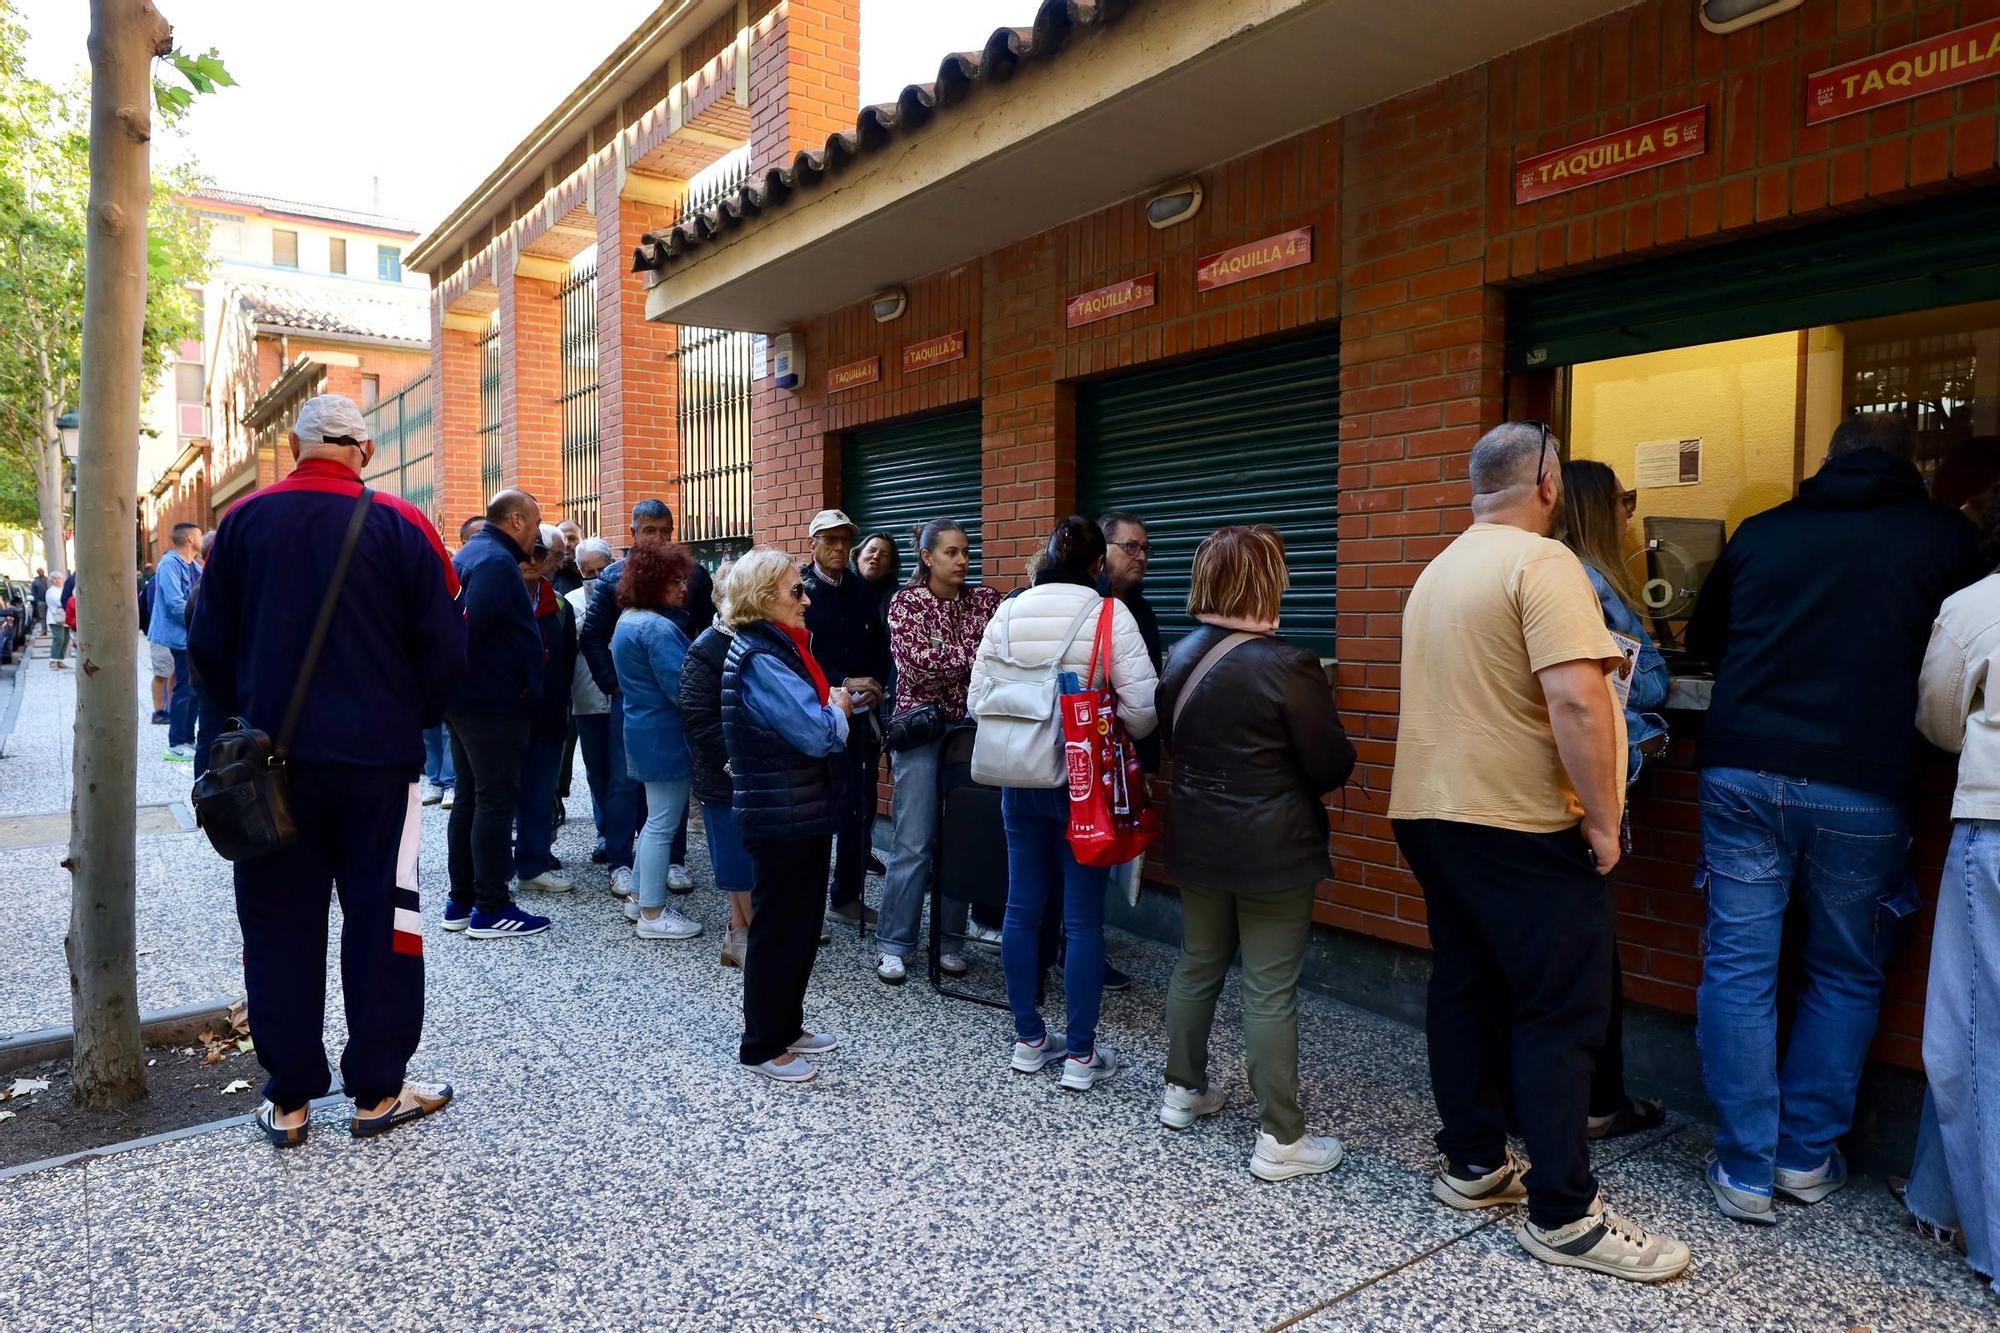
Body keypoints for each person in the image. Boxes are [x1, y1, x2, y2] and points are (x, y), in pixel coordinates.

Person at [1390, 421, 1688, 1282]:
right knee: (1562, 1006)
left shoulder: (1438, 569)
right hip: (1518, 822)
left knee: (1466, 984)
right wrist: (1601, 818)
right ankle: (1564, 1211)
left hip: (1430, 813)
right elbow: (1580, 700)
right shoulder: (1545, 561)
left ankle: (1475, 1164)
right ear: (1549, 482)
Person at [1688, 414, 1983, 1226]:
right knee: (1846, 968)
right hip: (1863, 780)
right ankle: (1804, 1157)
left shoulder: (1764, 531)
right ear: (1910, 467)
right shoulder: (1946, 540)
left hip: (1742, 768)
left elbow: (1705, 637)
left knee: (1740, 965)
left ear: (1825, 462)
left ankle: (1743, 1165)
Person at [188, 392, 466, 1145]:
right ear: (366, 453)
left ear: (292, 444)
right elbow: (448, 648)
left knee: (278, 925)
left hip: (269, 768)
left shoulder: (242, 524)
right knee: (386, 919)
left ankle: (289, 1101)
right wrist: (405, 711)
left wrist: (250, 705)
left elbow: (206, 646)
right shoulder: (405, 525)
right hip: (379, 765)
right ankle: (377, 1092)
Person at [1157, 526, 1355, 1179]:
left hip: (1196, 836)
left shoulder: (1179, 655)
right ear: (1264, 581)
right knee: (1269, 987)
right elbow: (1330, 763)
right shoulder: (1288, 664)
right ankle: (1282, 1139)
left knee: (1197, 962)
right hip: (1273, 848)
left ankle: (1182, 1090)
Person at [968, 516, 1157, 1092]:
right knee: (1081, 918)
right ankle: (1080, 1054)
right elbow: (1144, 707)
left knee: (1022, 908)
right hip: (1086, 787)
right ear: (1097, 565)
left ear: (1045, 556)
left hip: (1019, 779)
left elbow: (978, 700)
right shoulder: (1109, 613)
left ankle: (1028, 1039)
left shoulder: (1007, 610)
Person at [1557, 460, 1670, 1142]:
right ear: (1601, 509)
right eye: (1624, 500)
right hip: (1590, 782)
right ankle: (1600, 1099)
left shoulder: (1540, 570)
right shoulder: (1592, 581)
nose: (1631, 511)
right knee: (1590, 944)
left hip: (1541, 783)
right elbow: (1643, 685)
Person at [1909, 500, 2000, 1285]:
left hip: (1994, 827)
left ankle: (1997, 1245)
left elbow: (1937, 720)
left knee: (1970, 1036)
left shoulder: (1978, 605)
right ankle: (1938, 1198)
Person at [721, 549, 850, 1082]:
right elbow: (816, 733)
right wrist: (839, 711)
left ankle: (787, 1026)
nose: (807, 598)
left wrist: (832, 711)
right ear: (763, 597)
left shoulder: (779, 647)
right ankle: (761, 1045)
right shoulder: (762, 656)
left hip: (798, 807)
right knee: (779, 929)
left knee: (801, 925)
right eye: (795, 590)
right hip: (780, 812)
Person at [873, 519, 1000, 986]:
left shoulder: (985, 601)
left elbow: (999, 659)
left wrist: (958, 660)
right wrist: (973, 662)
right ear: (927, 558)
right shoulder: (906, 603)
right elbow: (914, 667)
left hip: (970, 731)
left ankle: (950, 940)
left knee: (962, 836)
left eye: (966, 551)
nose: (962, 560)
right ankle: (893, 944)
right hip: (922, 729)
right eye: (951, 552)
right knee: (914, 838)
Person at [580, 499, 715, 897]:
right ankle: (621, 861)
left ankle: (672, 860)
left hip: (678, 694)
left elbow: (706, 632)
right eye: (649, 530)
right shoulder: (614, 578)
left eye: (664, 530)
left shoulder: (694, 575)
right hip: (636, 697)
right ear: (634, 532)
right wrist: (614, 683)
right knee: (624, 781)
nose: (657, 537)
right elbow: (592, 635)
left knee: (674, 782)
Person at [442, 489, 552, 941]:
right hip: (490, 703)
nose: (537, 537)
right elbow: (474, 629)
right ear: (516, 519)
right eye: (535, 524)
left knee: (472, 796)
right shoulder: (493, 562)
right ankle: (491, 906)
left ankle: (462, 900)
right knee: (493, 800)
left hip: (469, 699)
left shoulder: (474, 553)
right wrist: (520, 684)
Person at [799, 509, 891, 931]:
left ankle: (848, 896)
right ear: (813, 542)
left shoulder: (862, 589)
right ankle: (808, 907)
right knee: (818, 807)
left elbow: (880, 646)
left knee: (861, 805)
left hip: (861, 714)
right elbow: (797, 654)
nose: (838, 548)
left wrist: (877, 686)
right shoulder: (799, 588)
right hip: (816, 712)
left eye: (844, 541)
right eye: (830, 540)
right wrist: (840, 680)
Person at [612, 537, 702, 941]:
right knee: (662, 823)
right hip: (666, 733)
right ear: (654, 581)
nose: (685, 587)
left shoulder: (628, 619)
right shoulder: (657, 627)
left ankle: (639, 898)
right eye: (676, 580)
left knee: (653, 822)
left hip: (642, 728)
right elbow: (682, 688)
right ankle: (651, 912)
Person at [1096, 510, 1162, 991]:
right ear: (1102, 552)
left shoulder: (1142, 610)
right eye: (1130, 547)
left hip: (1123, 758)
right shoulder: (1083, 603)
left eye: (1145, 549)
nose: (1141, 557)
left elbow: (1149, 694)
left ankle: (1081, 944)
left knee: (1106, 857)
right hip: (1076, 758)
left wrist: (1150, 761)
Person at [682, 586, 752, 969]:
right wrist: (733, 764)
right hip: (722, 774)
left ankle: (738, 935)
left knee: (738, 859)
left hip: (743, 771)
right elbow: (697, 717)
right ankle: (750, 937)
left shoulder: (746, 639)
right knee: (736, 861)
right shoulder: (706, 648)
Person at [512, 524, 577, 896]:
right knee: (500, 796)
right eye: (530, 551)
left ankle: (533, 863)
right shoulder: (497, 594)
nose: (534, 561)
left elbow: (566, 662)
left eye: (544, 555)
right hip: (506, 718)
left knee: (540, 793)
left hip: (548, 715)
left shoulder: (559, 605)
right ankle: (493, 868)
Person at [566, 538, 615, 857]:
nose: (596, 576)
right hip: (587, 697)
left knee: (626, 772)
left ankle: (630, 830)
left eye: (603, 569)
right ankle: (605, 832)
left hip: (624, 695)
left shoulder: (626, 594)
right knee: (597, 769)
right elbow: (571, 642)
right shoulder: (569, 601)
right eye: (589, 571)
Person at [150, 521, 203, 761]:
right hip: (180, 636)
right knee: (185, 688)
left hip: (191, 634)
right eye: (200, 536)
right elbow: (174, 604)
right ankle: (176, 743)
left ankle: (187, 739)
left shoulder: (195, 566)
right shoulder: (169, 564)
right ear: (191, 538)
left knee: (193, 689)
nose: (202, 540)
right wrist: (201, 621)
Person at [553, 519, 586, 596]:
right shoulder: (547, 575)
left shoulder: (596, 571)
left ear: (583, 540)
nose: (566, 544)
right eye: (562, 538)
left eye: (572, 538)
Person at [45, 573, 67, 668]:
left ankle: (60, 660)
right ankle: (53, 661)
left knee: (66, 639)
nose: (57, 580)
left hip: (66, 617)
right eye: (54, 579)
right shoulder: (51, 591)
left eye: (59, 578)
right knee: (59, 638)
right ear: (51, 581)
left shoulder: (64, 589)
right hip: (55, 618)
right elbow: (59, 602)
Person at [30, 568, 46, 635]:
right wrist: (36, 601)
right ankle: (44, 630)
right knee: (42, 616)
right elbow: (33, 592)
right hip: (40, 601)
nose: (40, 572)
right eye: (39, 571)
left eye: (41, 571)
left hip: (49, 600)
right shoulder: (35, 582)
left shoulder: (48, 580)